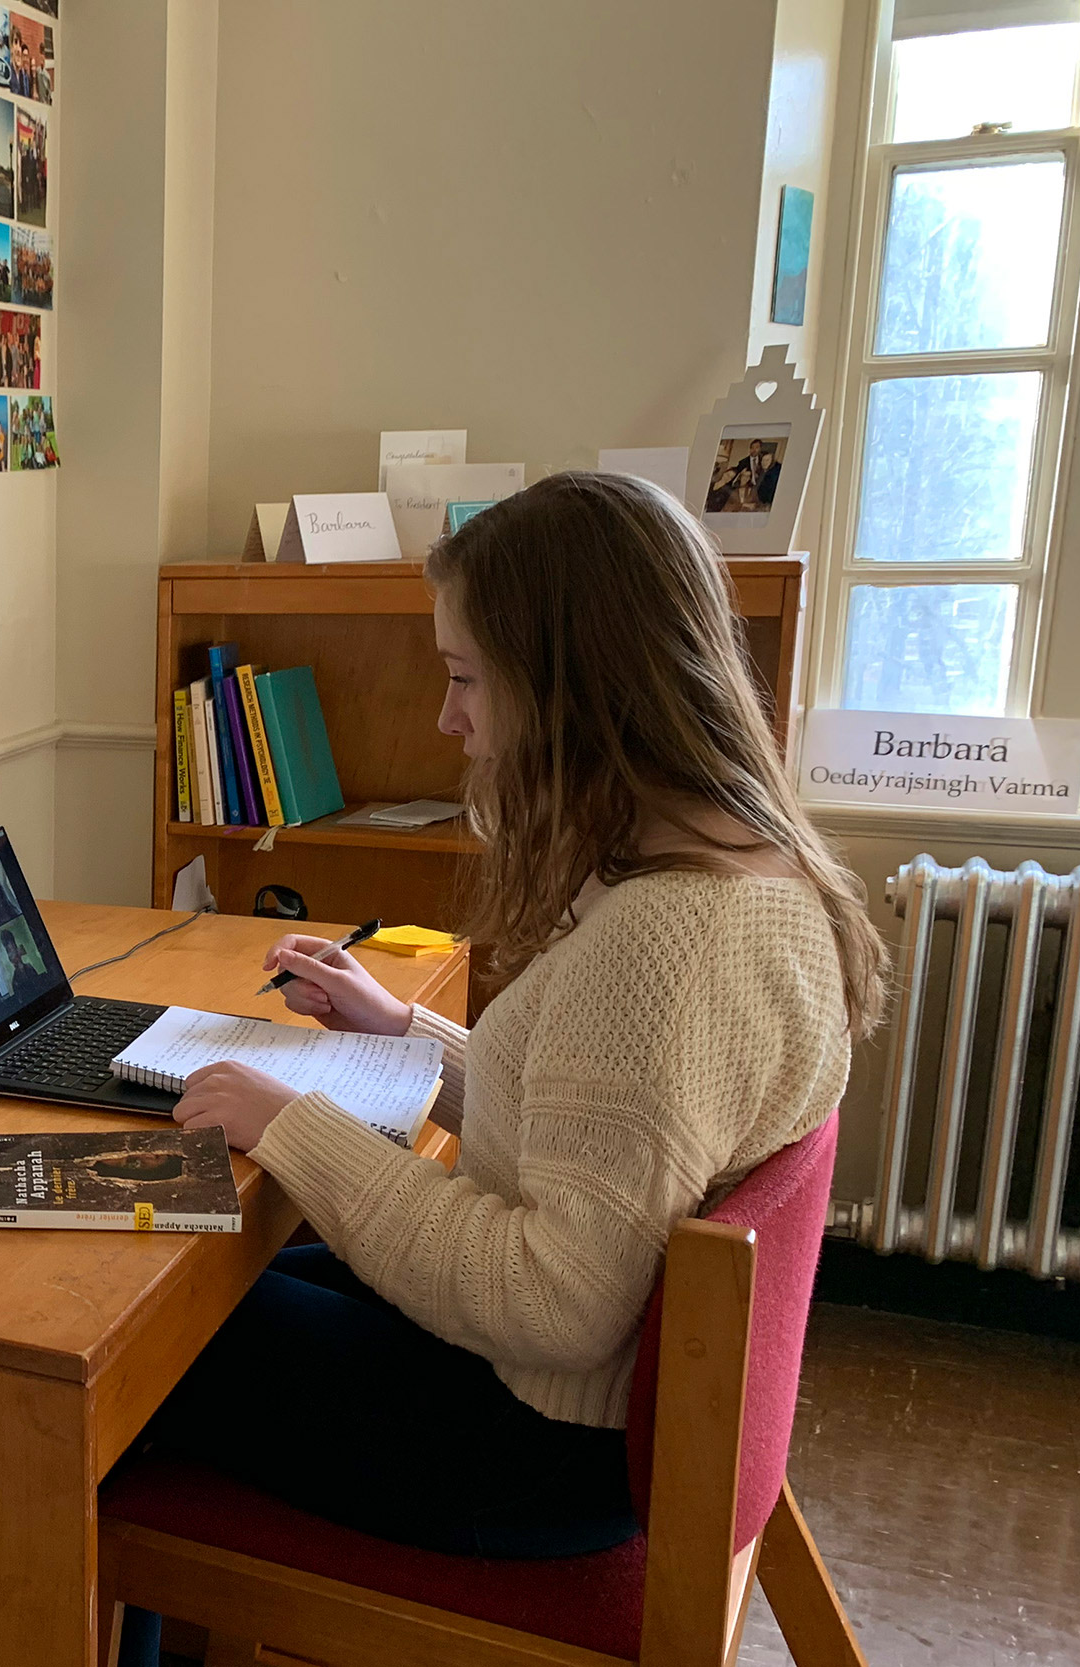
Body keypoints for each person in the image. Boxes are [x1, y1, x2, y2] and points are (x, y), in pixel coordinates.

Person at [122, 473, 882, 1662]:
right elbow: (612, 1135)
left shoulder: (661, 946)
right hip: (568, 1409)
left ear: (577, 688)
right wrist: (401, 1030)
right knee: (222, 1253)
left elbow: (557, 1298)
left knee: (133, 1353)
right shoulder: (753, 876)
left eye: (466, 676)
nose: (446, 719)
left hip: (520, 1447)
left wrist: (294, 1127)